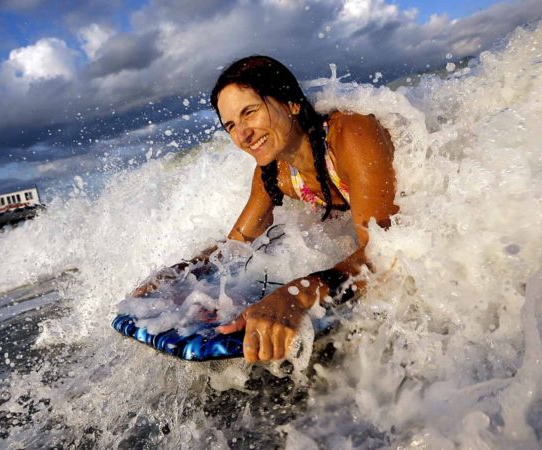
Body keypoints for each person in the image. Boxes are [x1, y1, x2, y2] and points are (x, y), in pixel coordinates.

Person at [134, 55, 398, 363]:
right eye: (231, 125)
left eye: (250, 112)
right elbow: (235, 245)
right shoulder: (275, 172)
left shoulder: (351, 134)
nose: (242, 134)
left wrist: (296, 294)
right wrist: (180, 273)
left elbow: (385, 251)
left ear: (291, 103)